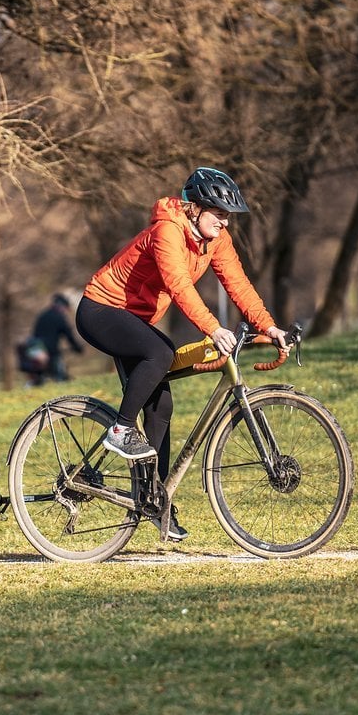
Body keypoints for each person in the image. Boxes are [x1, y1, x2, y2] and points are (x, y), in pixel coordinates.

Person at [74, 166, 288, 540]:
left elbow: (238, 284)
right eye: (219, 215)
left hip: (136, 319)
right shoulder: (167, 230)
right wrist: (213, 328)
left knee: (161, 407)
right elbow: (178, 284)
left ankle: (153, 500)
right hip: (101, 310)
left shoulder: (214, 241)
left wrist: (268, 325)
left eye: (228, 218)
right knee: (160, 352)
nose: (225, 224)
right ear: (195, 209)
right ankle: (121, 429)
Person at [23, 293, 84, 386]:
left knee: (40, 377)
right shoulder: (59, 318)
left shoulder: (42, 315)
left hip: (37, 351)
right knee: (60, 377)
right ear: (62, 306)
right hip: (51, 352)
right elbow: (69, 335)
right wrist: (77, 348)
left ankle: (34, 385)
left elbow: (35, 334)